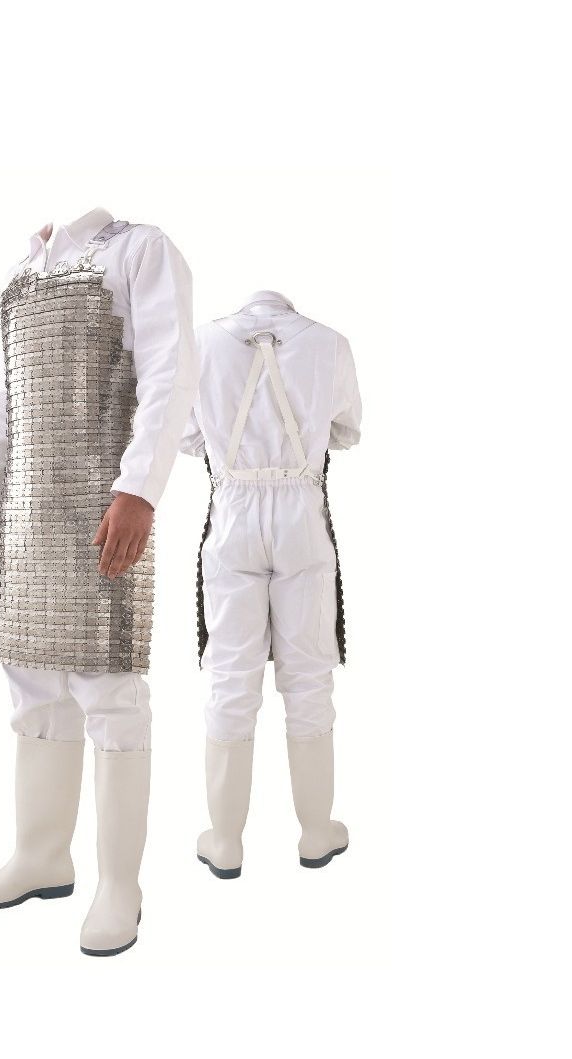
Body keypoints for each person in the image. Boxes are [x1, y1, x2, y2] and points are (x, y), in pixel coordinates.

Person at [0, 208, 197, 955]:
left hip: (104, 499)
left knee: (109, 687)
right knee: (32, 681)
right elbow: (2, 399)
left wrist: (140, 489)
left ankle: (120, 886)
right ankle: (40, 856)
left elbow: (170, 372)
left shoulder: (139, 250)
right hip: (30, 508)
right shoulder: (19, 276)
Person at [180, 290, 361, 878]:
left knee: (231, 676)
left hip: (232, 514)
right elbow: (346, 431)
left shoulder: (200, 344)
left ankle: (225, 840)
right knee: (308, 674)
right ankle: (315, 832)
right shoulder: (330, 343)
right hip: (302, 514)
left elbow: (187, 438)